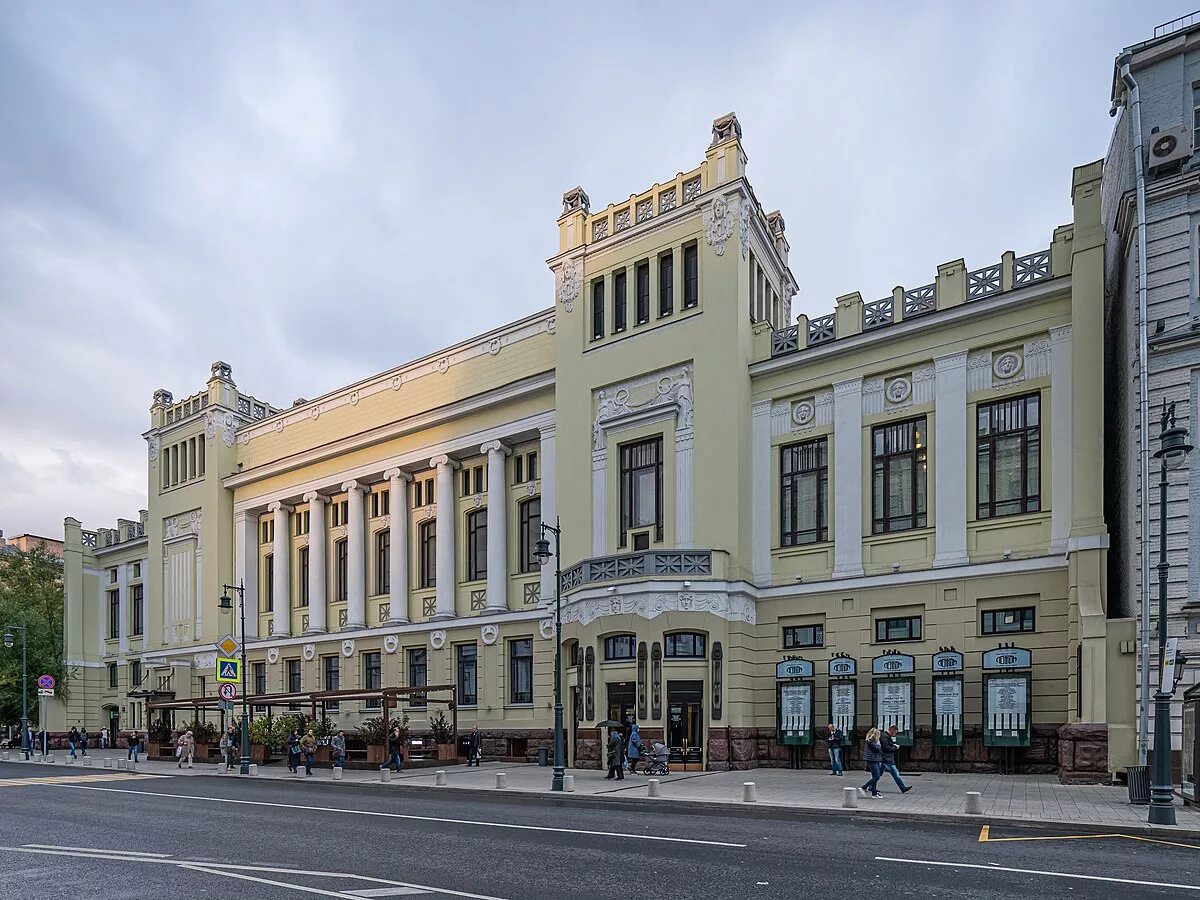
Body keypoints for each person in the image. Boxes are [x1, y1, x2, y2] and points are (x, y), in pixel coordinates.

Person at [880, 725, 911, 794]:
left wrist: (894, 745)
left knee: (878, 774)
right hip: (887, 758)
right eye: (895, 733)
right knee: (895, 773)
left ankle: (869, 786)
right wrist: (895, 747)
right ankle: (902, 788)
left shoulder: (885, 735)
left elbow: (888, 745)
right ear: (892, 730)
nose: (895, 734)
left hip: (885, 758)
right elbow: (886, 748)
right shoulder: (884, 736)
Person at [858, 727, 884, 799]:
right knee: (877, 776)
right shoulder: (870, 741)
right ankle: (863, 787)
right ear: (875, 734)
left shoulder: (873, 741)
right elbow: (876, 749)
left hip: (875, 760)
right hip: (872, 760)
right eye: (878, 735)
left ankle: (874, 793)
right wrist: (879, 745)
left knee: (874, 776)